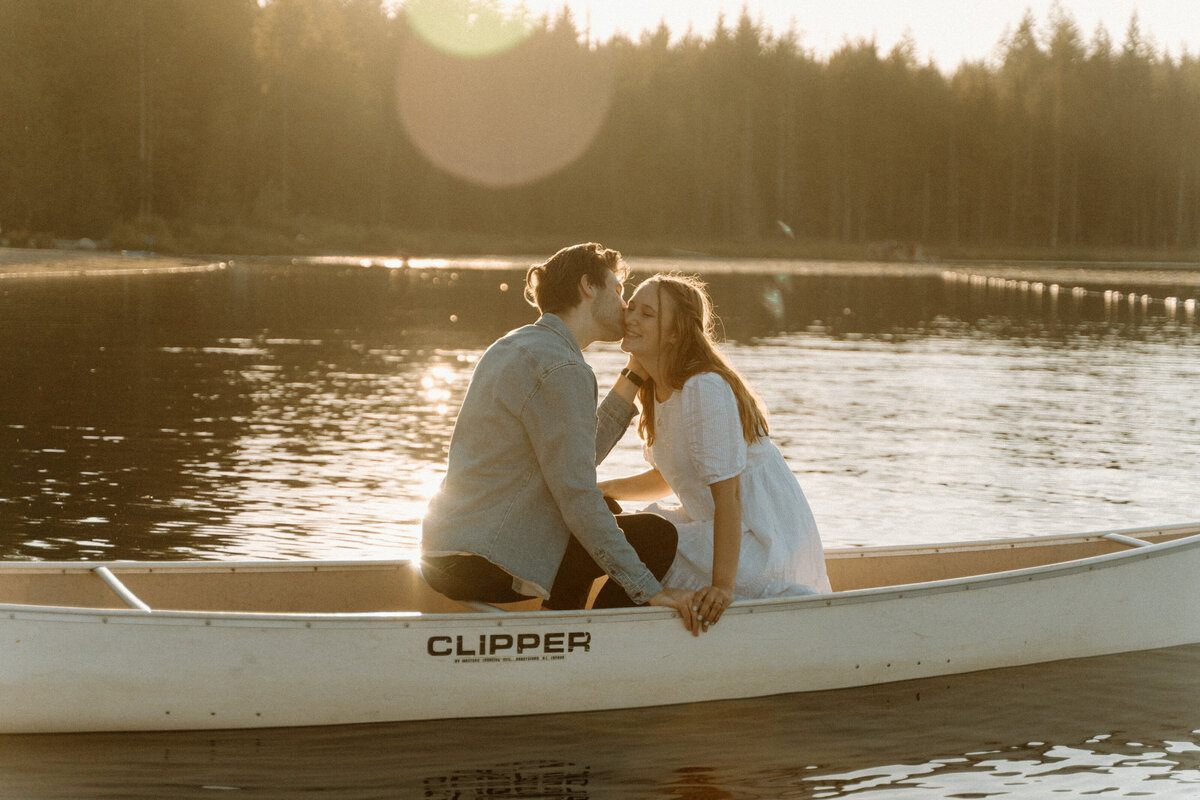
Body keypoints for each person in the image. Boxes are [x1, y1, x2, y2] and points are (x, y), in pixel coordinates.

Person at [421, 243, 702, 633]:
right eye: (618, 290)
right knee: (656, 536)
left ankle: (560, 622)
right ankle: (585, 644)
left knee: (607, 510)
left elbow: (576, 458)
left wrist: (634, 375)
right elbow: (577, 495)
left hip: (444, 553)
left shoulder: (514, 344)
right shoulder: (564, 368)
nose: (624, 306)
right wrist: (648, 590)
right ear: (588, 286)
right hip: (483, 562)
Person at [599, 273, 832, 632]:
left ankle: (598, 629)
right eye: (631, 308)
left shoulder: (703, 388)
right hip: (718, 529)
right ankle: (596, 622)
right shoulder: (660, 389)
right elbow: (671, 476)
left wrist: (722, 587)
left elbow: (729, 497)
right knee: (632, 530)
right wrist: (605, 490)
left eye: (646, 314)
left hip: (757, 546)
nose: (630, 318)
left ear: (675, 333)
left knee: (643, 538)